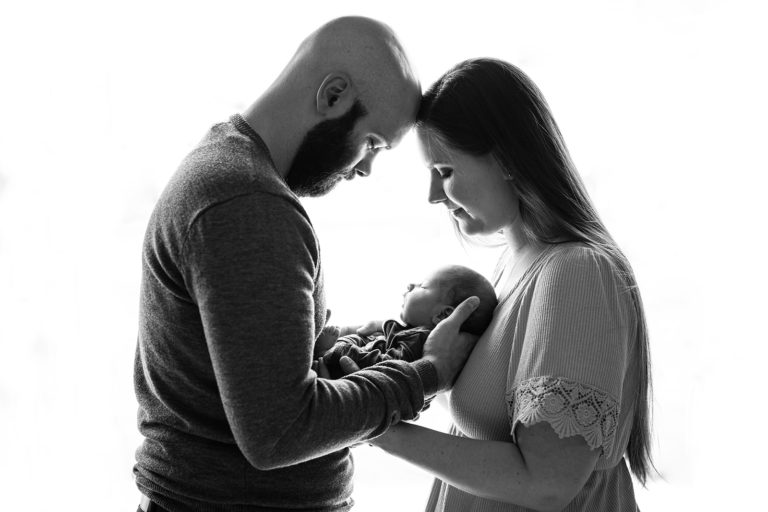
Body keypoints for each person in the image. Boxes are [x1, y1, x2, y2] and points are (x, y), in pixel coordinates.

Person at [132, 17, 480, 512]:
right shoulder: (248, 204)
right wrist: (428, 374)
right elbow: (281, 431)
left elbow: (265, 379)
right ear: (333, 95)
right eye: (374, 143)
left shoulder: (226, 172)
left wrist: (370, 342)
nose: (365, 168)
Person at [364, 58, 654, 511]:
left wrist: (372, 423)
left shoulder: (576, 273)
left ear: (503, 158)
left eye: (444, 171)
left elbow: (546, 482)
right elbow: (492, 424)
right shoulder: (509, 267)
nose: (434, 197)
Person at [316, 265, 497, 379]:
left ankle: (324, 351)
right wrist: (380, 327)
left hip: (344, 375)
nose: (410, 285)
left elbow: (384, 366)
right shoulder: (411, 333)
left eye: (422, 286)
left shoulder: (419, 341)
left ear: (443, 315)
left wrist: (342, 346)